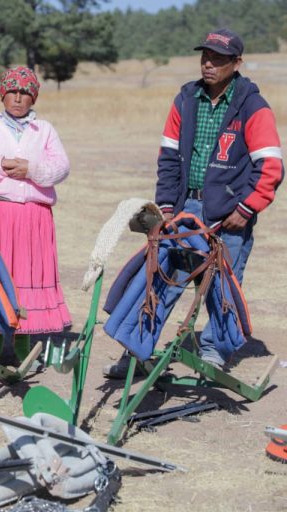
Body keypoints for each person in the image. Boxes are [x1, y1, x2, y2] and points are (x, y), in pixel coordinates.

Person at [103, 28, 283, 378]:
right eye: (205, 56)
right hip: (185, 210)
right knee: (162, 278)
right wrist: (167, 207)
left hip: (230, 215)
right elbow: (169, 158)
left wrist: (245, 209)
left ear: (236, 63)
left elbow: (271, 166)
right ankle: (137, 350)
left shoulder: (253, 106)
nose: (208, 63)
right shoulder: (185, 99)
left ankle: (215, 352)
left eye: (218, 58)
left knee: (223, 287)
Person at [0, 65, 72, 363]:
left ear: (33, 98)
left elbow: (61, 167)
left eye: (25, 93)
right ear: (2, 94)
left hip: (32, 217)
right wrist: (0, 164)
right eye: (13, 92)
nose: (18, 98)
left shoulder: (44, 130)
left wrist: (31, 170)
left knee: (24, 274)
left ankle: (23, 340)